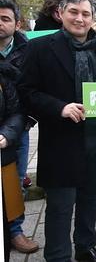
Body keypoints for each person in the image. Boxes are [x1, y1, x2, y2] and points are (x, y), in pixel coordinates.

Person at [19, 0, 96, 262]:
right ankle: (58, 256)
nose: (80, 18)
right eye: (73, 12)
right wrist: (60, 107)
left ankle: (86, 248)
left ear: (92, 18)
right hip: (61, 141)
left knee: (90, 198)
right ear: (60, 14)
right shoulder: (40, 48)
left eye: (85, 14)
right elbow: (27, 92)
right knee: (60, 205)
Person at [0, 0, 39, 253]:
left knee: (15, 181)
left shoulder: (30, 52)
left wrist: (9, 132)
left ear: (17, 23)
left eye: (5, 19)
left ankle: (15, 231)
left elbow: (34, 93)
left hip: (17, 127)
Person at [0, 61, 26, 262]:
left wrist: (6, 134)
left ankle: (14, 233)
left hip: (3, 150)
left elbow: (16, 111)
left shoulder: (3, 76)